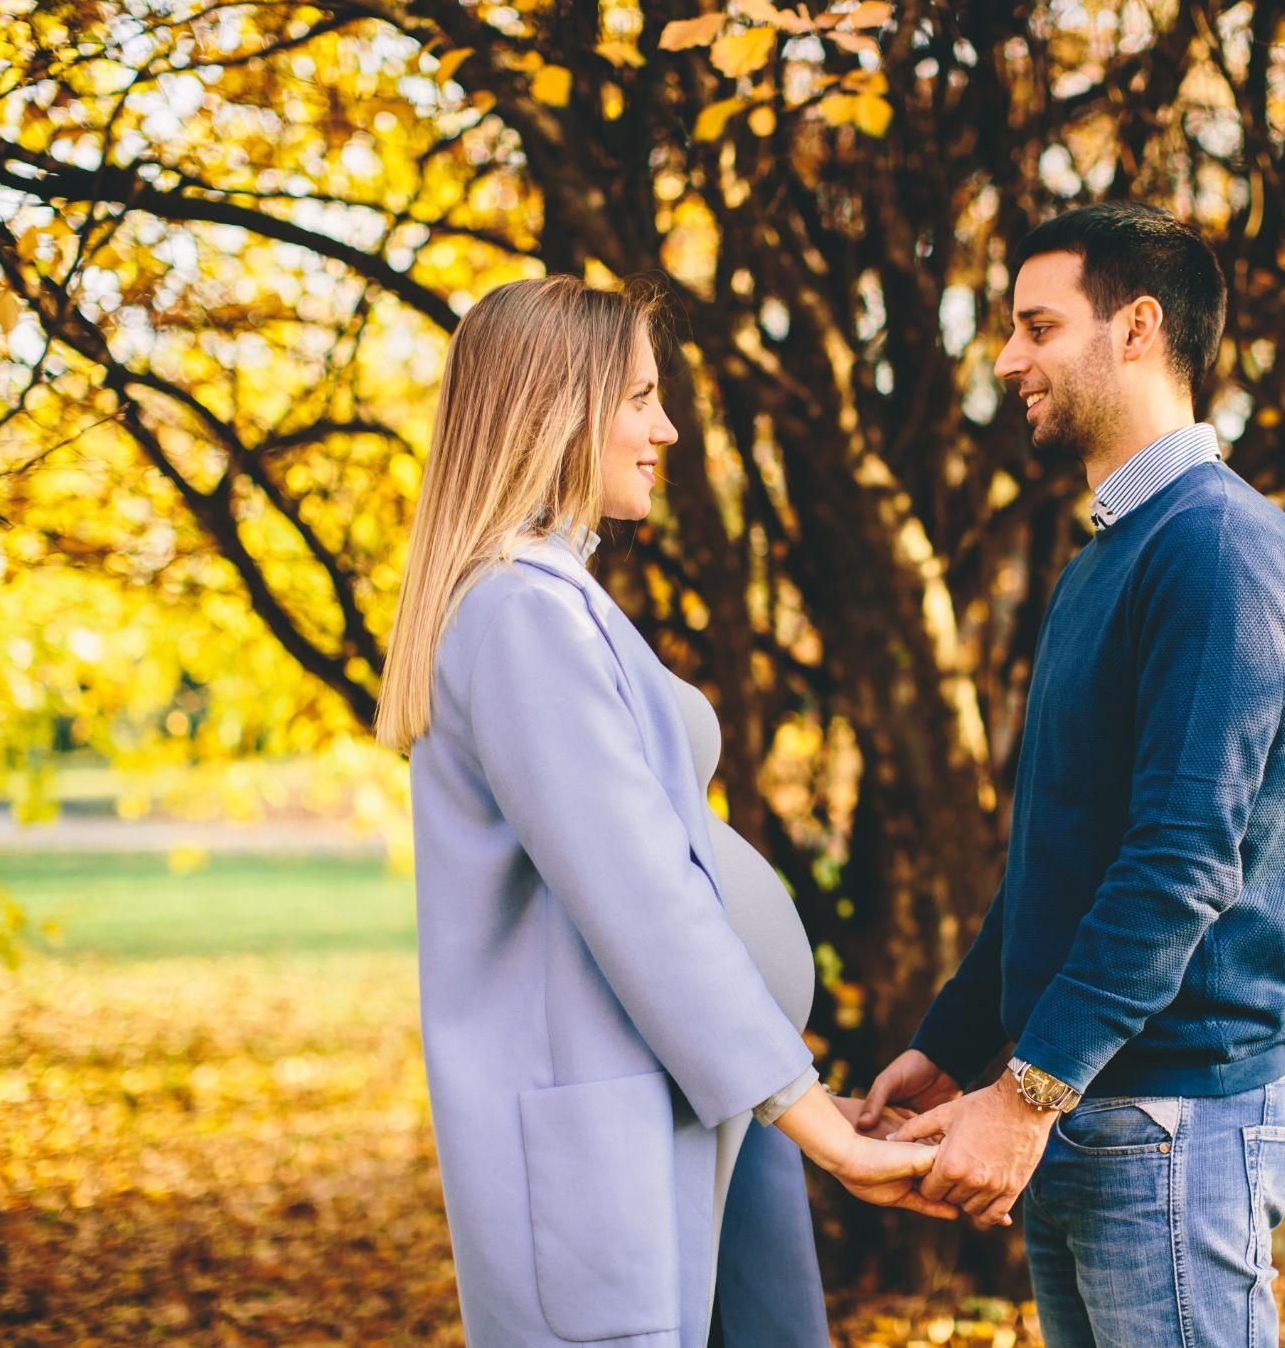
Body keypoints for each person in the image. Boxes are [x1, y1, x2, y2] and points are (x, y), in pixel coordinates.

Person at [375, 275, 949, 1348]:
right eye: (639, 398)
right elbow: (643, 900)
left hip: (717, 1097)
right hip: (643, 1113)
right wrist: (820, 1125)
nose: (665, 428)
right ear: (558, 407)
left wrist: (792, 1101)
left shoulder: (555, 598)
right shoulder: (517, 617)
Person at [862, 202, 1285, 1348]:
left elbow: (1178, 863)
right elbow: (1057, 859)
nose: (1008, 358)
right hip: (1088, 1102)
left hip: (1173, 1115)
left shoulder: (1213, 548)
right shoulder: (1111, 555)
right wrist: (952, 1042)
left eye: (1036, 325)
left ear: (1136, 329)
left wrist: (1024, 1095)